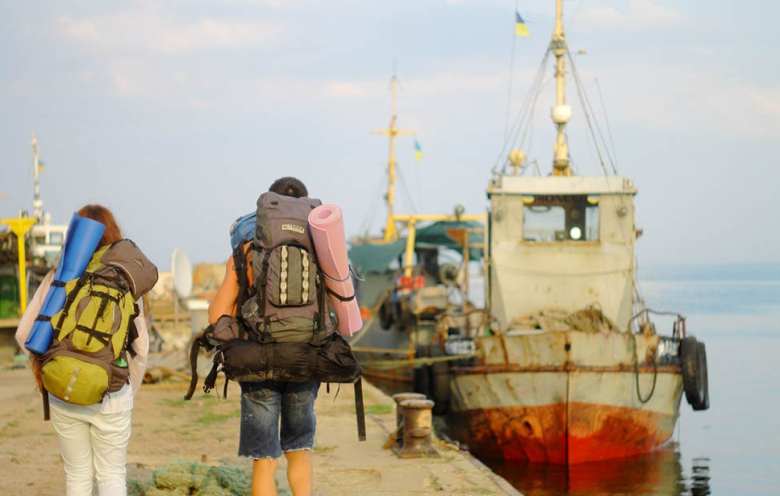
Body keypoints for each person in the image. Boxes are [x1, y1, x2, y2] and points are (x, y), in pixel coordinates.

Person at [15, 204, 149, 496]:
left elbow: (24, 334)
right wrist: (128, 392)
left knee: (77, 475)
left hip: (63, 389)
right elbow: (141, 349)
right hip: (111, 394)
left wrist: (48, 368)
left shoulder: (60, 276)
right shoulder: (124, 279)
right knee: (111, 475)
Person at [209, 177, 318, 496]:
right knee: (299, 452)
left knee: (264, 461)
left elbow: (217, 315)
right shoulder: (319, 248)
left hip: (258, 360)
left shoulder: (246, 250)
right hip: (304, 359)